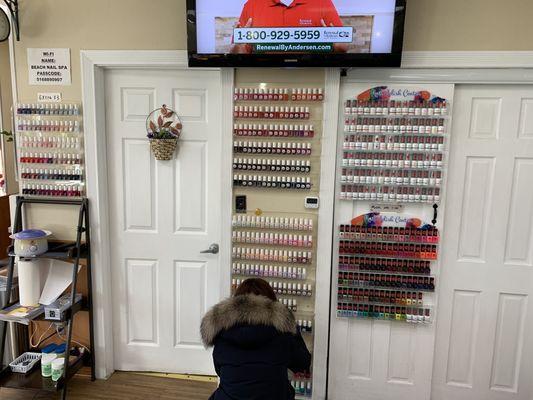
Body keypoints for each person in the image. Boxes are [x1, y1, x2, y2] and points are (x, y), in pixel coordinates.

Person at [201, 278, 312, 400]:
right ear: (271, 302)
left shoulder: (222, 333)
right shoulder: (282, 333)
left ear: (236, 303)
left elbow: (219, 371)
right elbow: (303, 362)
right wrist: (291, 329)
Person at [232, 0, 348, 54]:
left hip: (315, 77)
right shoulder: (252, 5)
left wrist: (333, 43)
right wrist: (239, 45)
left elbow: (342, 47)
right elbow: (237, 53)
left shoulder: (322, 3)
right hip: (262, 80)